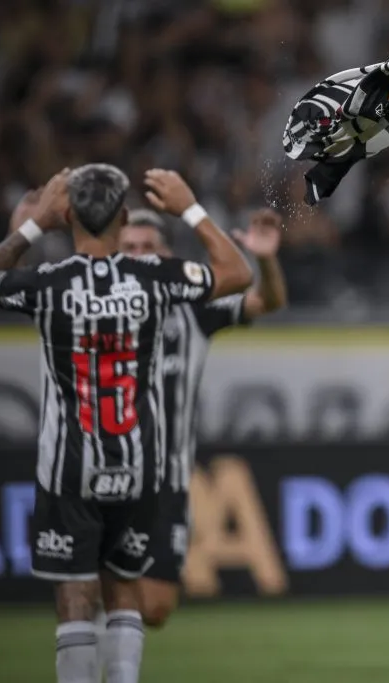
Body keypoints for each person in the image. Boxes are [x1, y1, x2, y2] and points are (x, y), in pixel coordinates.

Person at [0, 164, 253, 683]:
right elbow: (236, 272)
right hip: (139, 464)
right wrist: (188, 207)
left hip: (69, 467)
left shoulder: (49, 285)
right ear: (124, 218)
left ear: (67, 216)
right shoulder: (153, 279)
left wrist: (32, 225)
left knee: (76, 597)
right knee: (123, 590)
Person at [117, 203, 287, 628]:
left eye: (148, 247)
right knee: (101, 591)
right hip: (103, 474)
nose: (138, 256)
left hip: (167, 482)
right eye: (129, 248)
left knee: (154, 608)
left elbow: (267, 301)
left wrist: (265, 260)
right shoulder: (88, 305)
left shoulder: (190, 308)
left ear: (167, 256)